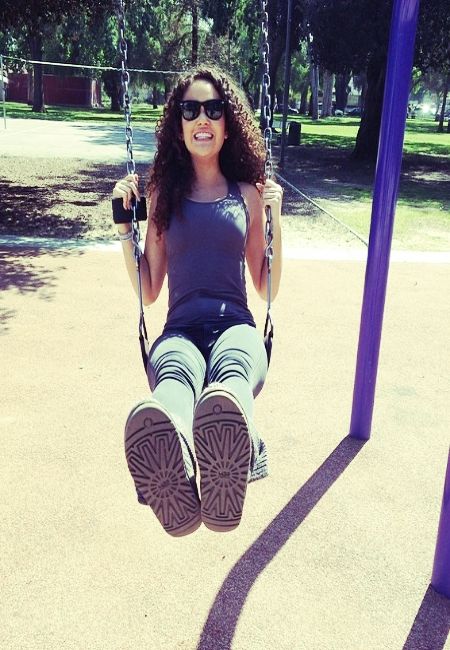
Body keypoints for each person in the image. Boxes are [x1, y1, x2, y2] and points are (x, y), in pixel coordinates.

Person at [113, 66, 283, 537]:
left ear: (228, 125)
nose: (201, 118)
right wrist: (124, 227)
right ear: (179, 126)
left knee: (231, 375)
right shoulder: (162, 196)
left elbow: (266, 287)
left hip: (236, 327)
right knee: (173, 376)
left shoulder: (247, 195)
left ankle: (232, 447)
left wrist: (276, 219)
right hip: (180, 331)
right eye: (190, 110)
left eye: (213, 109)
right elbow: (149, 288)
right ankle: (175, 460)